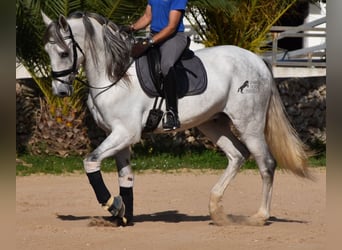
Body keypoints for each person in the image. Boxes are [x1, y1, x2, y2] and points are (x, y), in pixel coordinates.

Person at [130, 0, 189, 130]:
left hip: (173, 37)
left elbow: (172, 27)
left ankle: (172, 114)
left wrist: (150, 42)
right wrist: (131, 28)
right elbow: (147, 17)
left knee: (166, 65)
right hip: (153, 35)